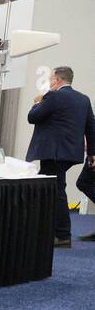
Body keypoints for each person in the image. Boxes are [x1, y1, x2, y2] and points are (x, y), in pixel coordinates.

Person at [26, 66, 95, 247]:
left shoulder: (53, 96)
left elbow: (33, 117)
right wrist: (93, 153)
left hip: (53, 152)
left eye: (51, 79)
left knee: (55, 190)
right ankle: (49, 230)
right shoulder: (84, 99)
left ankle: (62, 234)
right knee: (50, 186)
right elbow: (91, 128)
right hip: (71, 153)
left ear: (57, 80)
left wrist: (37, 102)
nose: (49, 82)